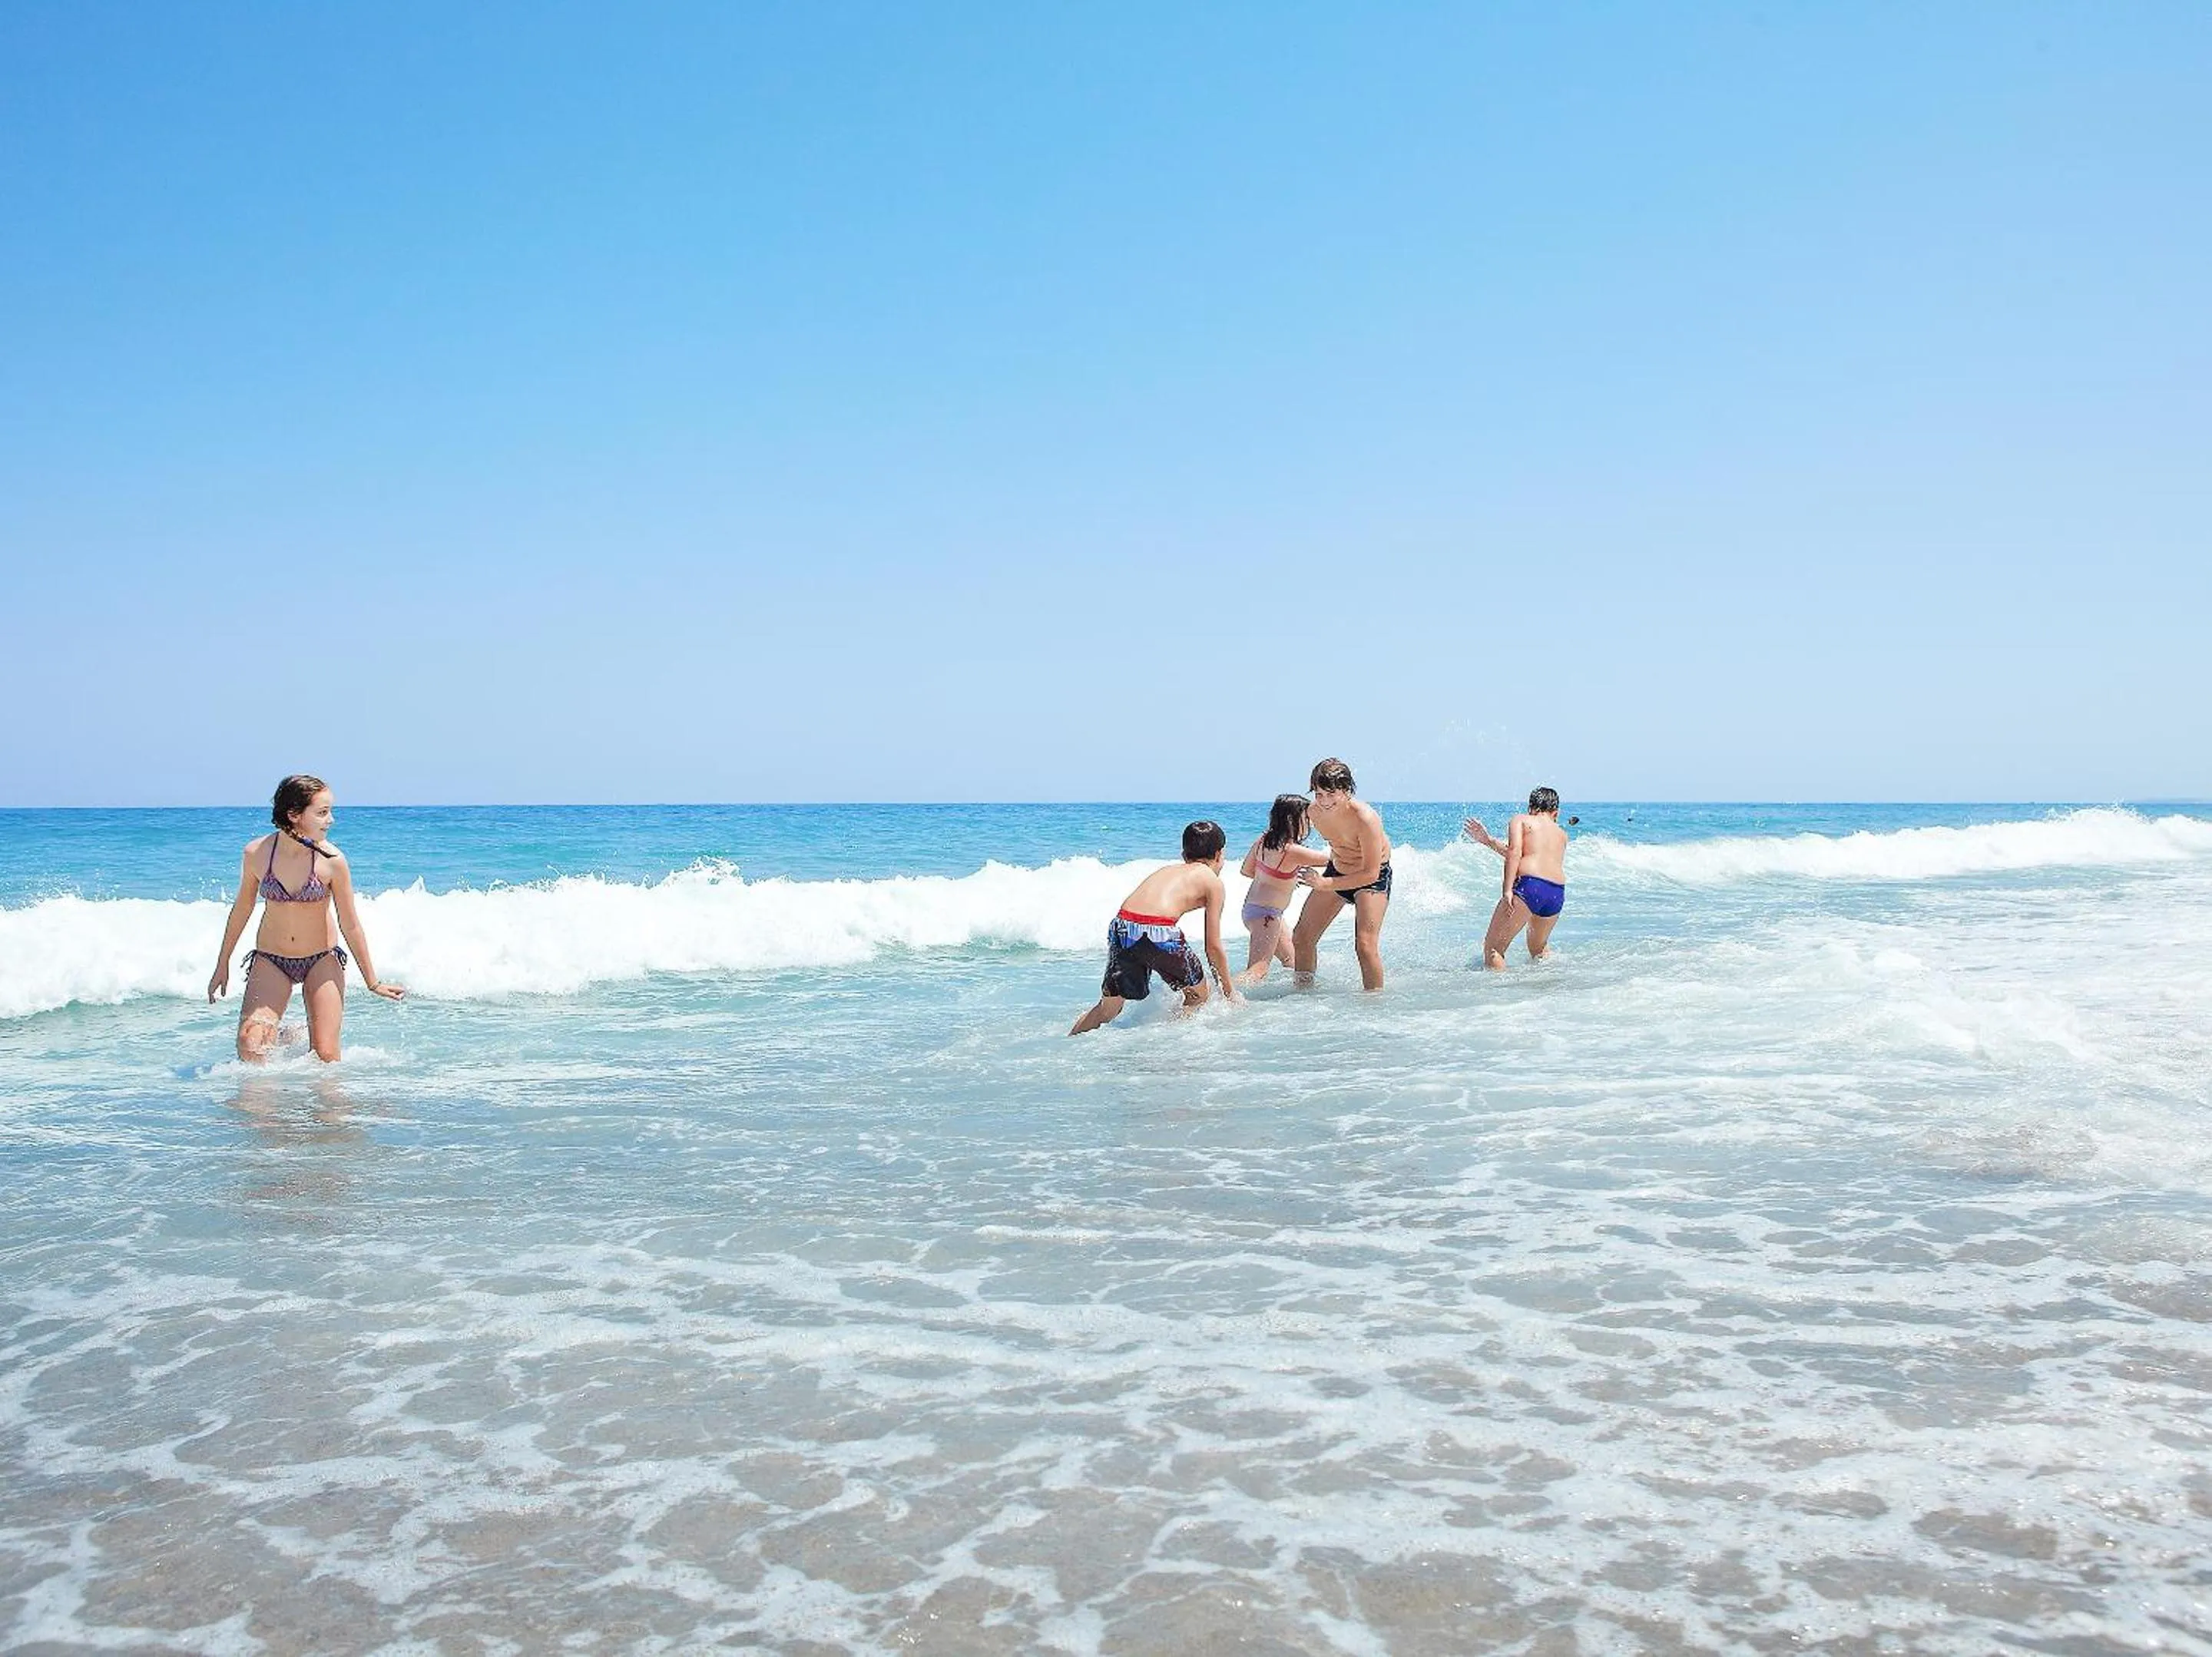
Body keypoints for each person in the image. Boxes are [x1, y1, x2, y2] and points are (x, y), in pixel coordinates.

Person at [208, 775, 406, 1061]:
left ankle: (302, 1048)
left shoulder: (332, 861)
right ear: (294, 815)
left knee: (325, 1056)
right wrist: (222, 963)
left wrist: (372, 982)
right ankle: (261, 1100)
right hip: (271, 960)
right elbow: (242, 909)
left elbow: (350, 924)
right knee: (250, 1045)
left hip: (321, 960)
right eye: (322, 813)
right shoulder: (256, 854)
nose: (331, 820)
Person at [1070, 820, 1240, 1035]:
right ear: (1219, 854)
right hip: (1157, 932)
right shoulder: (1213, 883)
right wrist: (1228, 992)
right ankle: (1168, 1047)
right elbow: (1213, 946)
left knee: (1108, 1009)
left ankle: (1069, 1041)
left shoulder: (1167, 870)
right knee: (1199, 995)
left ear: (1184, 855)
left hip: (1122, 927)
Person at [1291, 758, 1393, 991]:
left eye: (1331, 794)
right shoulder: (1313, 812)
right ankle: (1302, 997)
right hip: (1338, 870)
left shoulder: (1365, 818)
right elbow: (1289, 841)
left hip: (1372, 879)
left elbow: (1370, 873)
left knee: (1365, 946)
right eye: (1319, 794)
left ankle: (1374, 1006)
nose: (1325, 802)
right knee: (1302, 938)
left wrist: (1324, 883)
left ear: (1347, 791)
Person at [1462, 786, 1570, 969]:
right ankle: (1550, 988)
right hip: (1556, 893)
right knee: (1539, 949)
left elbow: (1515, 852)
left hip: (1530, 887)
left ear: (1531, 808)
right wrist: (1489, 841)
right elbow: (1529, 857)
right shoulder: (1562, 834)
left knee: (1494, 948)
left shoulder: (1521, 820)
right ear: (1556, 813)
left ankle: (1502, 995)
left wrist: (1507, 890)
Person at [1237, 794, 1330, 985]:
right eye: (1307, 819)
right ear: (1291, 820)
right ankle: (1218, 996)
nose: (1310, 824)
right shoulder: (1292, 851)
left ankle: (1299, 1001)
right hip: (1266, 917)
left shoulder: (1263, 841)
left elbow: (1246, 871)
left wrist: (1280, 879)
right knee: (1258, 970)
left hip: (1256, 911)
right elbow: (1334, 861)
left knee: (1293, 962)